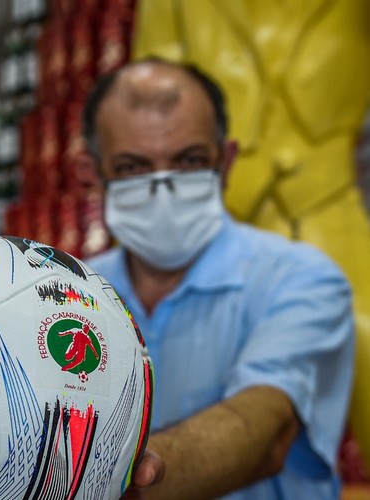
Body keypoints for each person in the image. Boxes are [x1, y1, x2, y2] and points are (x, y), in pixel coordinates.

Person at [82, 59, 355, 498]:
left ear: (225, 162)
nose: (163, 191)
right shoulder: (70, 296)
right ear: (93, 172)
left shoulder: (302, 279)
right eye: (133, 167)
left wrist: (121, 484)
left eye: (189, 161)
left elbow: (266, 432)